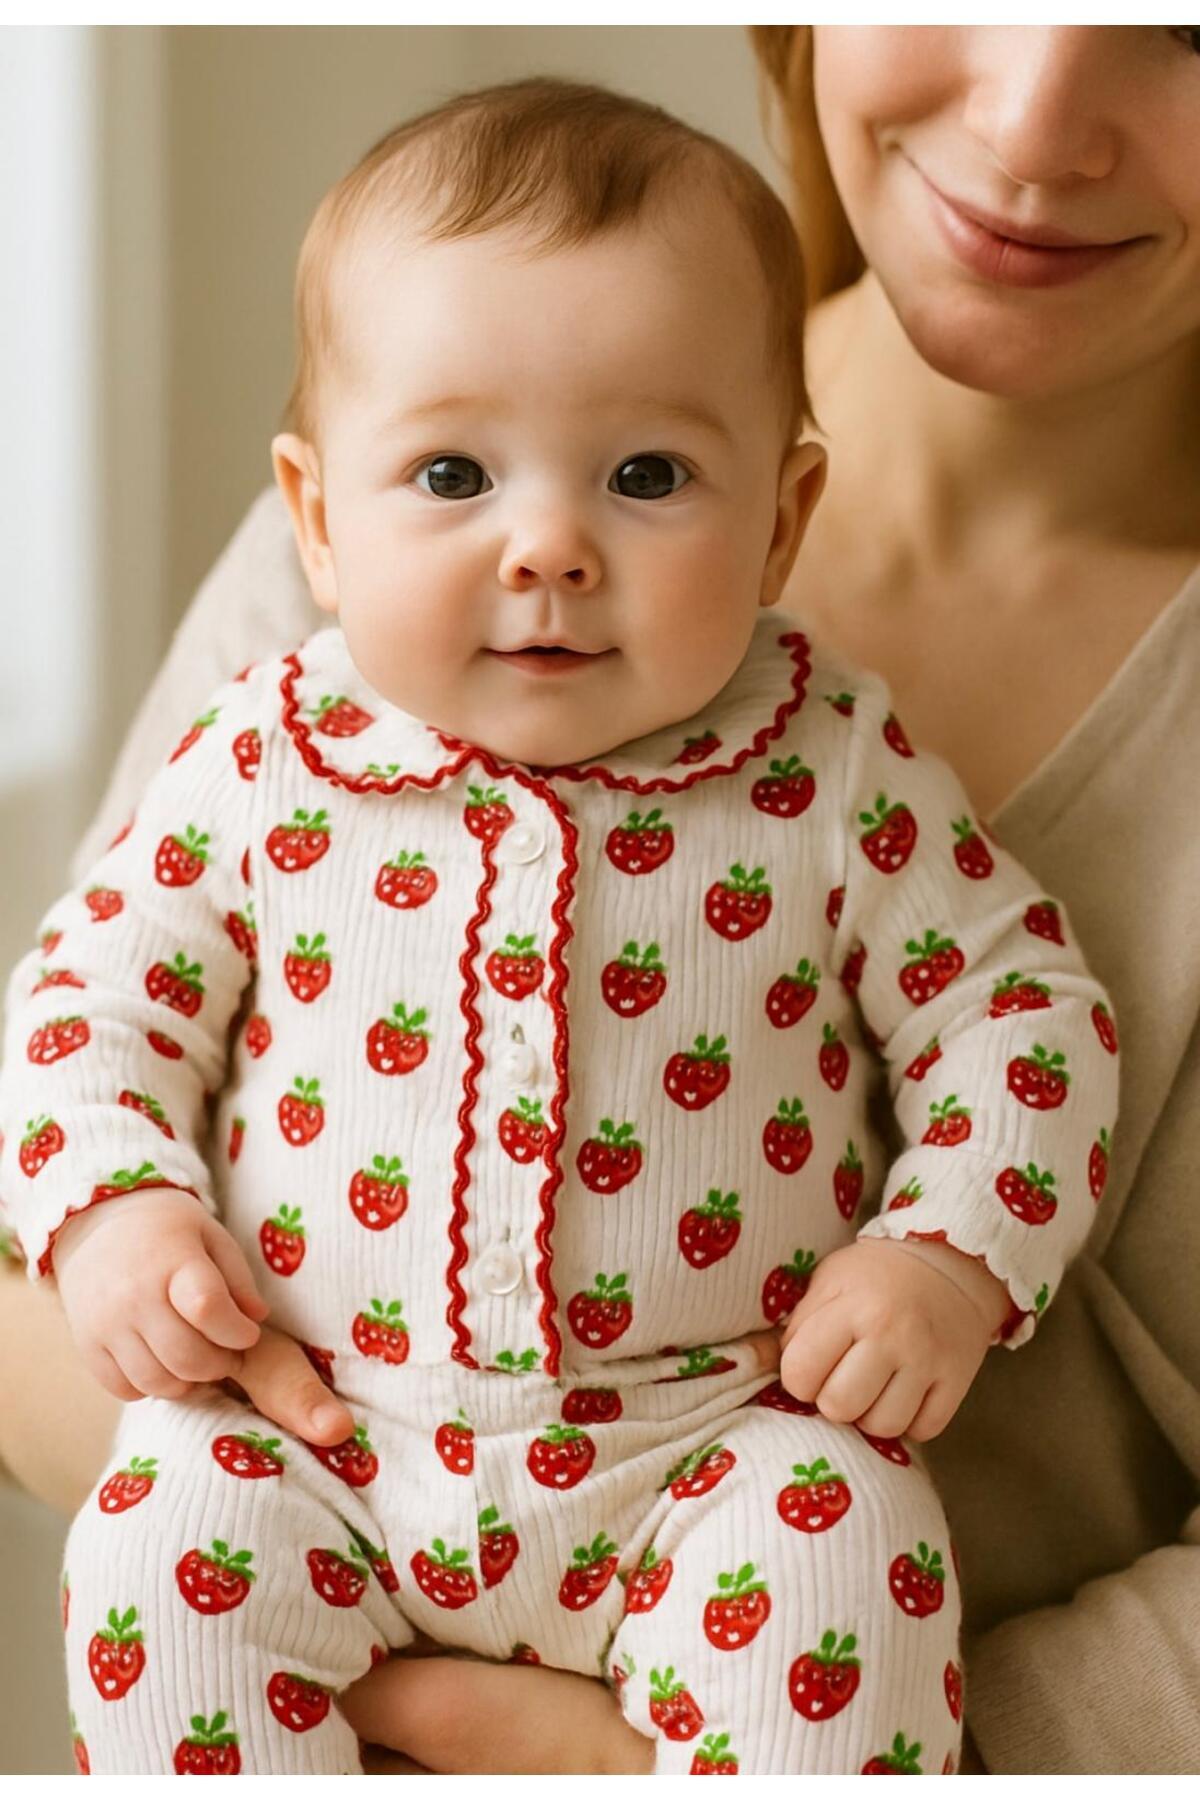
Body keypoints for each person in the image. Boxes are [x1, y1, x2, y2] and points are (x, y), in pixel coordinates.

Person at [2, 23, 1197, 1777]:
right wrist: (111, 1217)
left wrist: (949, 1255)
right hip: (331, 1441)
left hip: (710, 1453)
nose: (542, 546)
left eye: (646, 481)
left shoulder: (828, 764)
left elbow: (1015, 1014)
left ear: (784, 518)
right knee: (167, 1551)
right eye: (455, 480)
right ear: (315, 518)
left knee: (837, 1536)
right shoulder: (277, 739)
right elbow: (87, 1006)